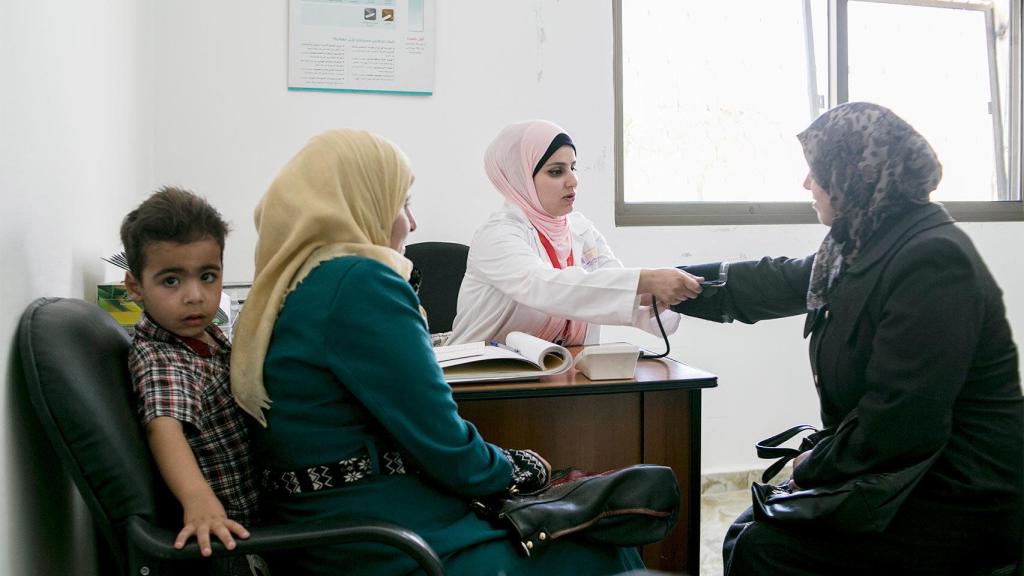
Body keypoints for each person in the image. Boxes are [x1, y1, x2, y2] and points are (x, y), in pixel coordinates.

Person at [229, 129, 647, 575]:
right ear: (362, 203)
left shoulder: (289, 285)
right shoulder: (360, 283)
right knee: (607, 544)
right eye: (401, 203)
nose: (412, 222)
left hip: (323, 528)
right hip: (385, 538)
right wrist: (517, 469)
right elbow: (443, 443)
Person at [674, 102, 1023, 575]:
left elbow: (901, 418)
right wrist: (659, 284)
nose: (806, 184)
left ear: (854, 174)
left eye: (816, 171)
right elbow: (772, 282)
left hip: (958, 495)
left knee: (764, 546)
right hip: (907, 472)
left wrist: (814, 466)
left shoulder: (933, 259)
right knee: (752, 531)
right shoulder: (858, 243)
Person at [448, 119, 702, 346]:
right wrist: (644, 280)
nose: (573, 180)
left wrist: (651, 295)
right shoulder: (498, 236)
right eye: (556, 171)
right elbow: (546, 288)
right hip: (479, 383)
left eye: (573, 167)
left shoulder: (580, 229)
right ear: (520, 178)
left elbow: (608, 285)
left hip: (563, 376)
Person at [122, 187, 264, 575]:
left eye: (207, 276)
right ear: (135, 287)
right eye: (171, 281)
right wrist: (200, 501)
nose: (195, 296)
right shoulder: (162, 355)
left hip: (253, 511)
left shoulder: (203, 335)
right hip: (230, 533)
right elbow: (164, 428)